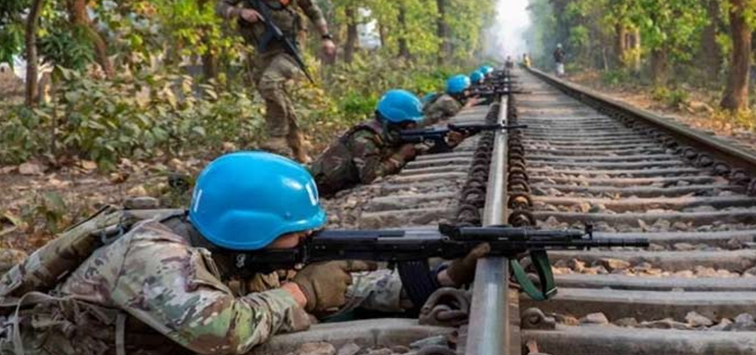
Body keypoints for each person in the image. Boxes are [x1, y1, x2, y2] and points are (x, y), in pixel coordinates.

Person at [0, 152, 486, 355]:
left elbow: (343, 291)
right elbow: (220, 332)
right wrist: (298, 292)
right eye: (296, 233)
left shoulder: (234, 251)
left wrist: (439, 280)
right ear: (251, 231)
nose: (307, 242)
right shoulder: (154, 253)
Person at [217, 0, 335, 163]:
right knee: (274, 95)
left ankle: (277, 137)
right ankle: (299, 148)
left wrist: (326, 38)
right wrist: (240, 13)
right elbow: (221, 7)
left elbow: (314, 12)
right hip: (263, 50)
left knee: (270, 84)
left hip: (289, 50)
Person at [310, 90, 423, 196]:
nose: (412, 128)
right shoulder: (364, 137)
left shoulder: (388, 134)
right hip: (316, 186)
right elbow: (370, 176)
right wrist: (399, 156)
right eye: (408, 124)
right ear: (394, 121)